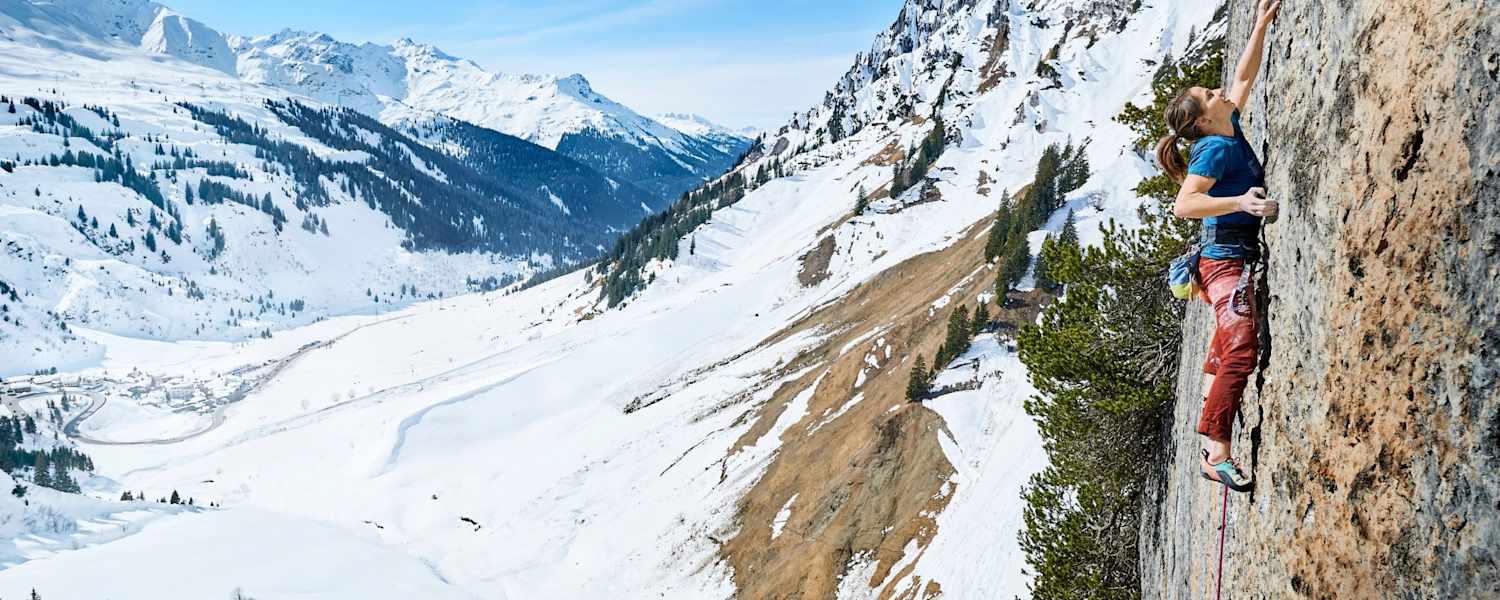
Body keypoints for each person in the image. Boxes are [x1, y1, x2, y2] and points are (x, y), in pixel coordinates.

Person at [1155, 0, 1282, 492]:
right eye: (1210, 94)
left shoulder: (1226, 125)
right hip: (1223, 264)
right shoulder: (1215, 147)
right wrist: (1241, 203)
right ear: (1203, 121)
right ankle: (1217, 452)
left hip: (1225, 262)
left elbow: (1243, 79)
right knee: (1242, 348)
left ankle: (1212, 434)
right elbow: (1184, 205)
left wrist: (1259, 27)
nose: (1219, 91)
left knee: (1227, 344)